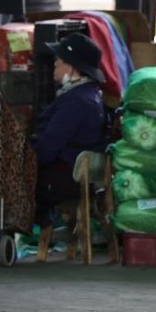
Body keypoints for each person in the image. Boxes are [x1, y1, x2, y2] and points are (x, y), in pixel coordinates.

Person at [32, 33, 109, 227]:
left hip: (62, 179)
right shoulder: (91, 93)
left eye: (59, 60)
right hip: (75, 175)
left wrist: (22, 165)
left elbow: (47, 147)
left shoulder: (76, 102)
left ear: (73, 67)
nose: (55, 64)